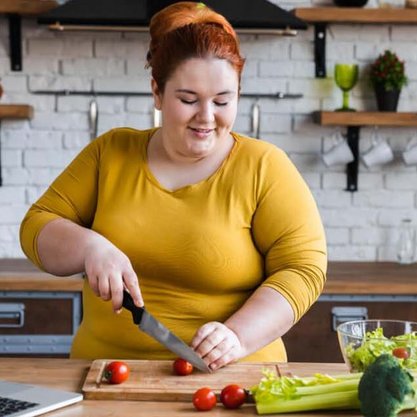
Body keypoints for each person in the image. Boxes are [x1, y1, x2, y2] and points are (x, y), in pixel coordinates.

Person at [20, 1, 327, 371]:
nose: (207, 117)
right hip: (102, 377)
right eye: (188, 99)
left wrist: (238, 336)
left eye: (223, 101)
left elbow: (303, 268)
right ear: (157, 92)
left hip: (232, 379)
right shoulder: (110, 153)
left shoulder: (265, 167)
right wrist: (90, 247)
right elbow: (36, 225)